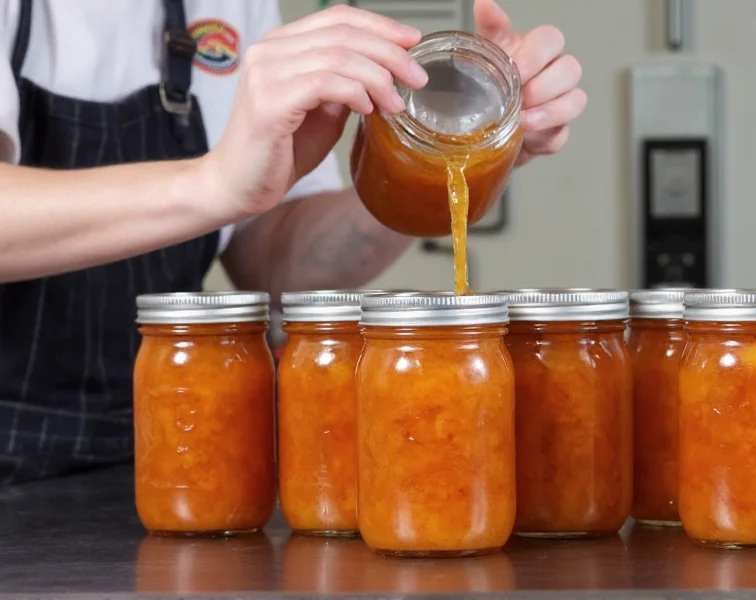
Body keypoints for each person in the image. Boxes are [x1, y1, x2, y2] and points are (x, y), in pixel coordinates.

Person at [0, 0, 586, 485]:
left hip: (169, 445)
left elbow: (279, 264)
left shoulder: (227, 6)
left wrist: (443, 162)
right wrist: (213, 184)